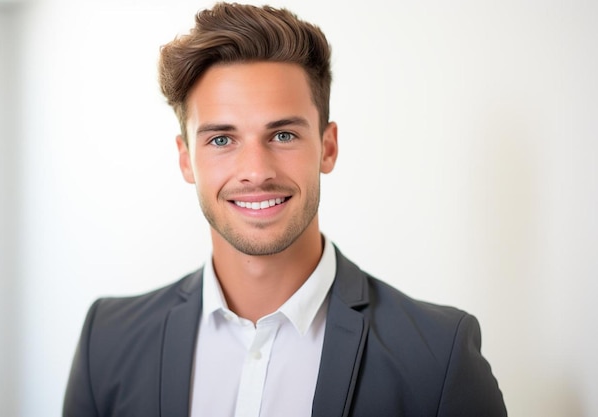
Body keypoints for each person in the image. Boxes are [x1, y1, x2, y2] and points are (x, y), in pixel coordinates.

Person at [63, 3, 507, 416]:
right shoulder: (107, 341)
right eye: (221, 139)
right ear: (185, 160)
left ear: (328, 147)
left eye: (283, 135)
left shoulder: (437, 356)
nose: (256, 171)